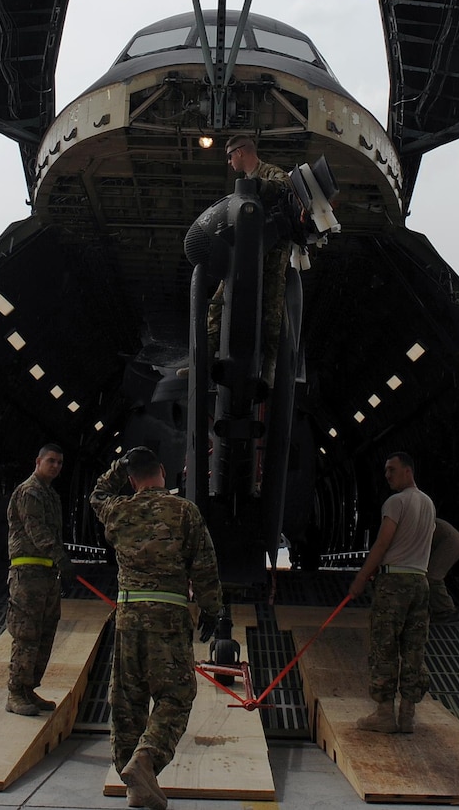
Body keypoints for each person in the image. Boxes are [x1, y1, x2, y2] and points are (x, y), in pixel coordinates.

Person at [91, 447, 223, 810]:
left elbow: (97, 495)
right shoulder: (184, 511)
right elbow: (205, 565)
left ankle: (133, 782)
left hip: (129, 615)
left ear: (132, 480)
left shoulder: (119, 511)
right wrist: (213, 609)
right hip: (169, 614)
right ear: (163, 472)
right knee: (176, 695)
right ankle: (146, 760)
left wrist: (119, 464)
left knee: (127, 700)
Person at [346, 451, 435, 733]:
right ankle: (407, 714)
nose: (387, 475)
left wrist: (361, 578)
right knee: (413, 649)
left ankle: (385, 713)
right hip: (420, 582)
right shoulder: (429, 504)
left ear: (408, 471)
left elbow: (383, 544)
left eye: (392, 470)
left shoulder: (396, 502)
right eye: (386, 470)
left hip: (394, 583)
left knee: (384, 647)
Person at [205, 134, 293, 385]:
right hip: (245, 253)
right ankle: (205, 359)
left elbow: (285, 187)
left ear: (241, 153)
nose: (229, 162)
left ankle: (269, 369)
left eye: (230, 156)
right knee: (217, 303)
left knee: (271, 312)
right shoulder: (244, 183)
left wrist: (261, 188)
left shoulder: (270, 173)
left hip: (273, 250)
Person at [5, 444, 73, 716]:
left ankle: (29, 688)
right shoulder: (30, 492)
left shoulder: (51, 495)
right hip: (28, 575)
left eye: (59, 463)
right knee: (26, 634)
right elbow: (37, 530)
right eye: (51, 461)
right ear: (38, 461)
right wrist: (61, 557)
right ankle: (15, 692)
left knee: (45, 632)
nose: (55, 466)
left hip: (46, 575)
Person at [427, 517, 459, 622]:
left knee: (432, 577)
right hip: (451, 541)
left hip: (450, 543)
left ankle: (446, 611)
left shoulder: (416, 523)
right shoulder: (424, 519)